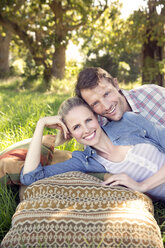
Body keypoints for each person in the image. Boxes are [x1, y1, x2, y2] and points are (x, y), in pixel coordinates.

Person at [20, 96, 165, 201]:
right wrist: (41, 124)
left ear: (96, 117)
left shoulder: (127, 122)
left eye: (88, 120)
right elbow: (30, 177)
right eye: (76, 127)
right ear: (69, 132)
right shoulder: (85, 161)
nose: (86, 130)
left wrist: (142, 185)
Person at [75, 67, 165, 127]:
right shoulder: (97, 128)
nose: (106, 107)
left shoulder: (154, 93)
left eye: (106, 94)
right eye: (95, 103)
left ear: (116, 84)